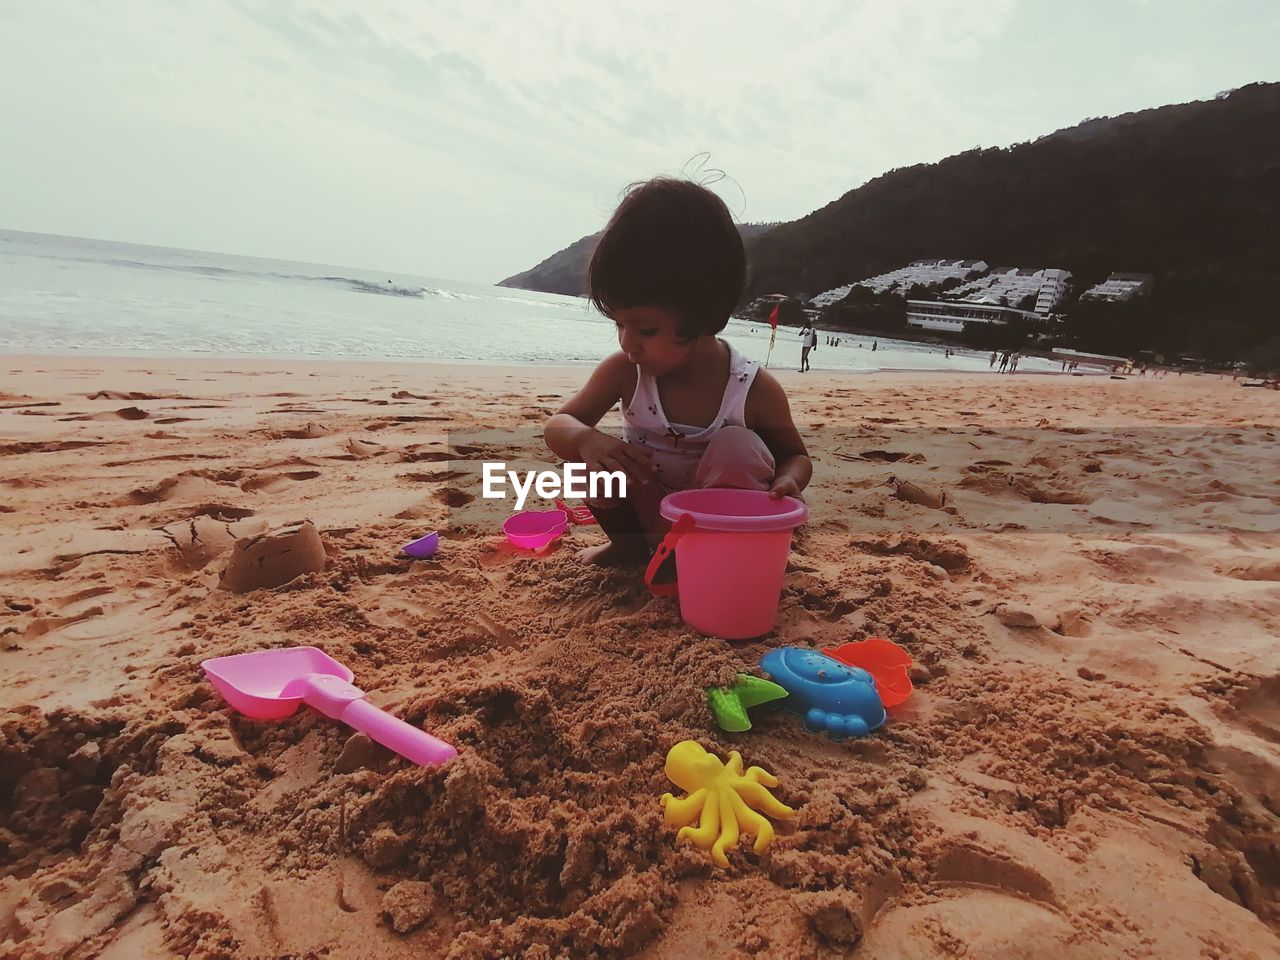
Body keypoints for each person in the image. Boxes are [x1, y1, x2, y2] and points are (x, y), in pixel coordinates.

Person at [544, 177, 812, 567]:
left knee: (737, 447)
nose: (627, 343)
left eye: (646, 330)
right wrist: (586, 440)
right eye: (618, 324)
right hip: (649, 514)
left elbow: (795, 456)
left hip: (721, 521)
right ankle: (629, 547)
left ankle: (718, 555)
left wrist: (789, 482)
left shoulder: (751, 389)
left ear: (703, 314)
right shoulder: (626, 372)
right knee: (593, 467)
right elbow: (558, 424)